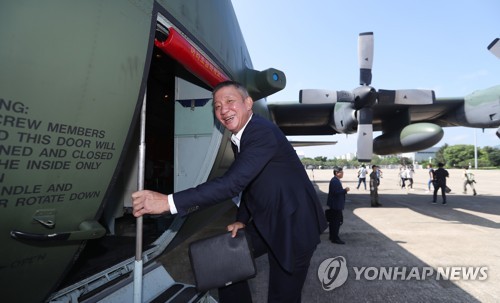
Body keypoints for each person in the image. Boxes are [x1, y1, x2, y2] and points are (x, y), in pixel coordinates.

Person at [131, 81, 327, 303]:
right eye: (216, 106)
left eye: (230, 101)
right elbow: (248, 184)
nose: (223, 110)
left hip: (294, 226)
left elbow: (231, 184)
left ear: (248, 103)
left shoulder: (261, 132)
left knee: (282, 297)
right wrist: (242, 220)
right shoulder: (241, 137)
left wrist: (169, 202)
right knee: (222, 263)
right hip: (268, 221)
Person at [327, 167, 350, 244]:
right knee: (336, 222)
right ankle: (335, 238)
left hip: (335, 204)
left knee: (333, 222)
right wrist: (345, 190)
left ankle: (332, 236)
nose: (343, 173)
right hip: (336, 205)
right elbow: (336, 192)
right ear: (337, 173)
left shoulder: (335, 180)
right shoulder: (335, 181)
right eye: (341, 172)